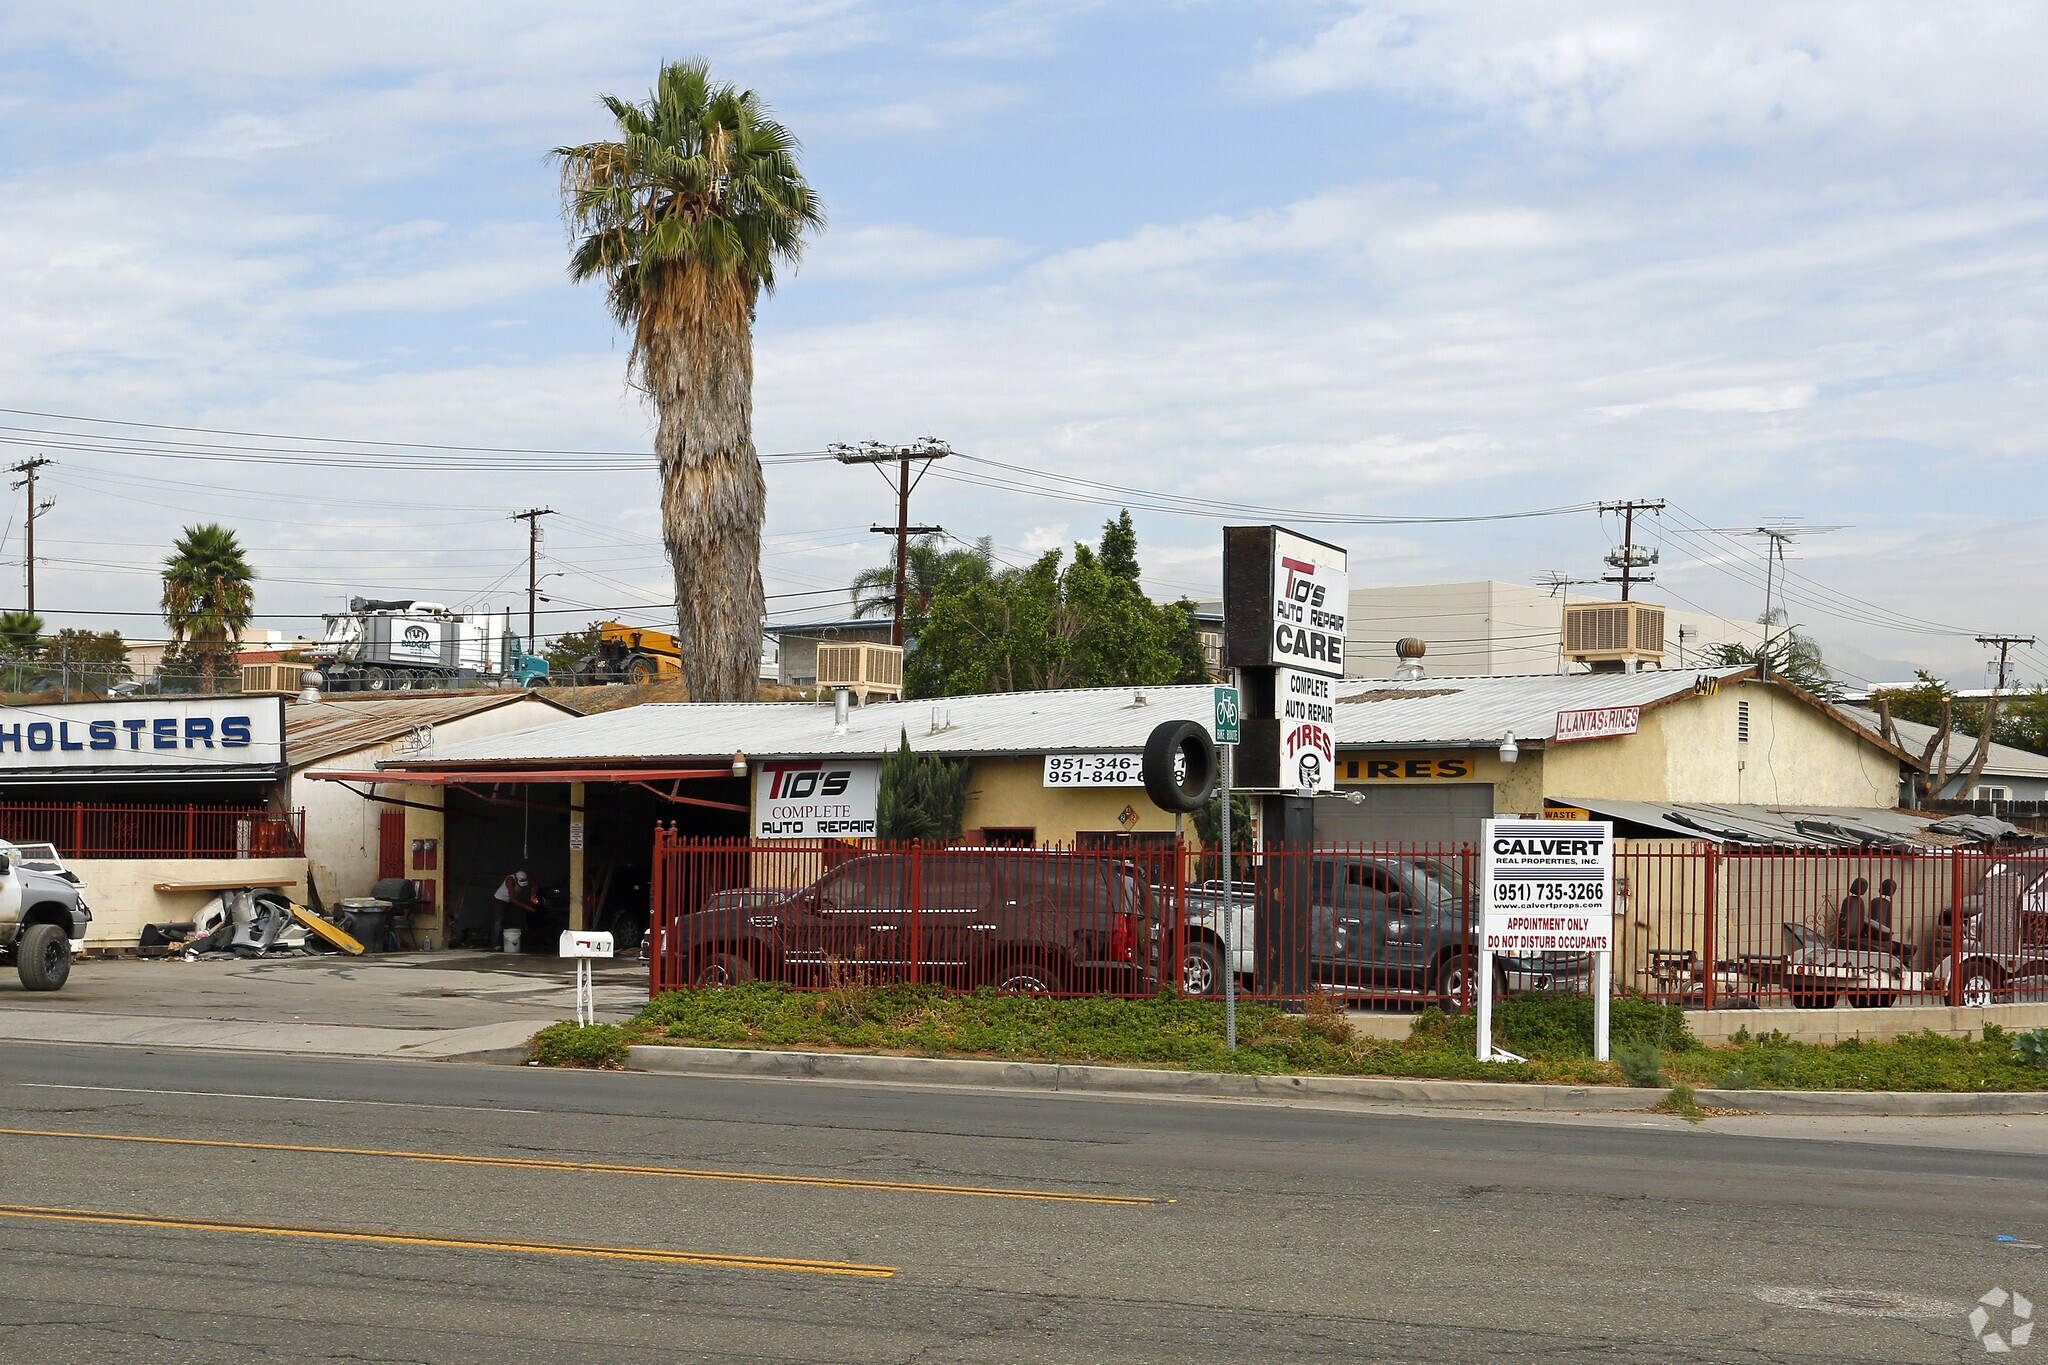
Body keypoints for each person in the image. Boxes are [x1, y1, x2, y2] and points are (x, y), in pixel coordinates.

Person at [493, 870, 539, 950]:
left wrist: (533, 896)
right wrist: (526, 906)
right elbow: (513, 899)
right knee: (498, 922)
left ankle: (507, 943)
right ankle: (496, 943)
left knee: (509, 921)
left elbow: (536, 886)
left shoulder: (526, 876)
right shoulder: (510, 880)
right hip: (500, 900)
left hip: (509, 901)